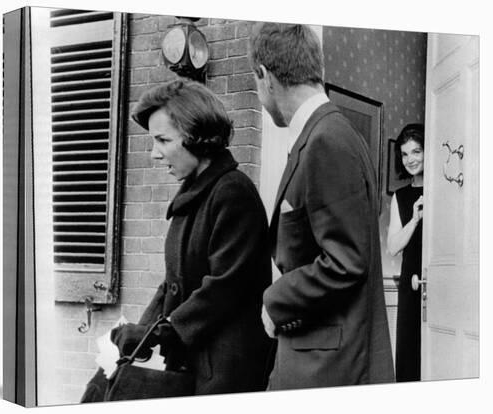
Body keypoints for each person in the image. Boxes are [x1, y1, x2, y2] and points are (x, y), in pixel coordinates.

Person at [249, 22, 394, 389]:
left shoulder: (326, 140)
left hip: (328, 369)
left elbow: (347, 261)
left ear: (265, 76)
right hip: (319, 359)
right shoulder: (330, 134)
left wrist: (275, 300)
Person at [110, 79, 273, 396]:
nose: (155, 155)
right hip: (195, 361)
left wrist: (165, 332)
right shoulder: (193, 195)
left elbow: (226, 285)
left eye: (162, 140)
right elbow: (172, 283)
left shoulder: (233, 192)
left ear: (197, 137)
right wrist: (144, 330)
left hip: (226, 369)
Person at [387, 123, 424, 382]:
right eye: (404, 154)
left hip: (436, 282)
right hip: (410, 286)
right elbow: (392, 247)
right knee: (409, 358)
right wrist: (414, 220)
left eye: (416, 152)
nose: (410, 159)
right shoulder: (399, 197)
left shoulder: (445, 190)